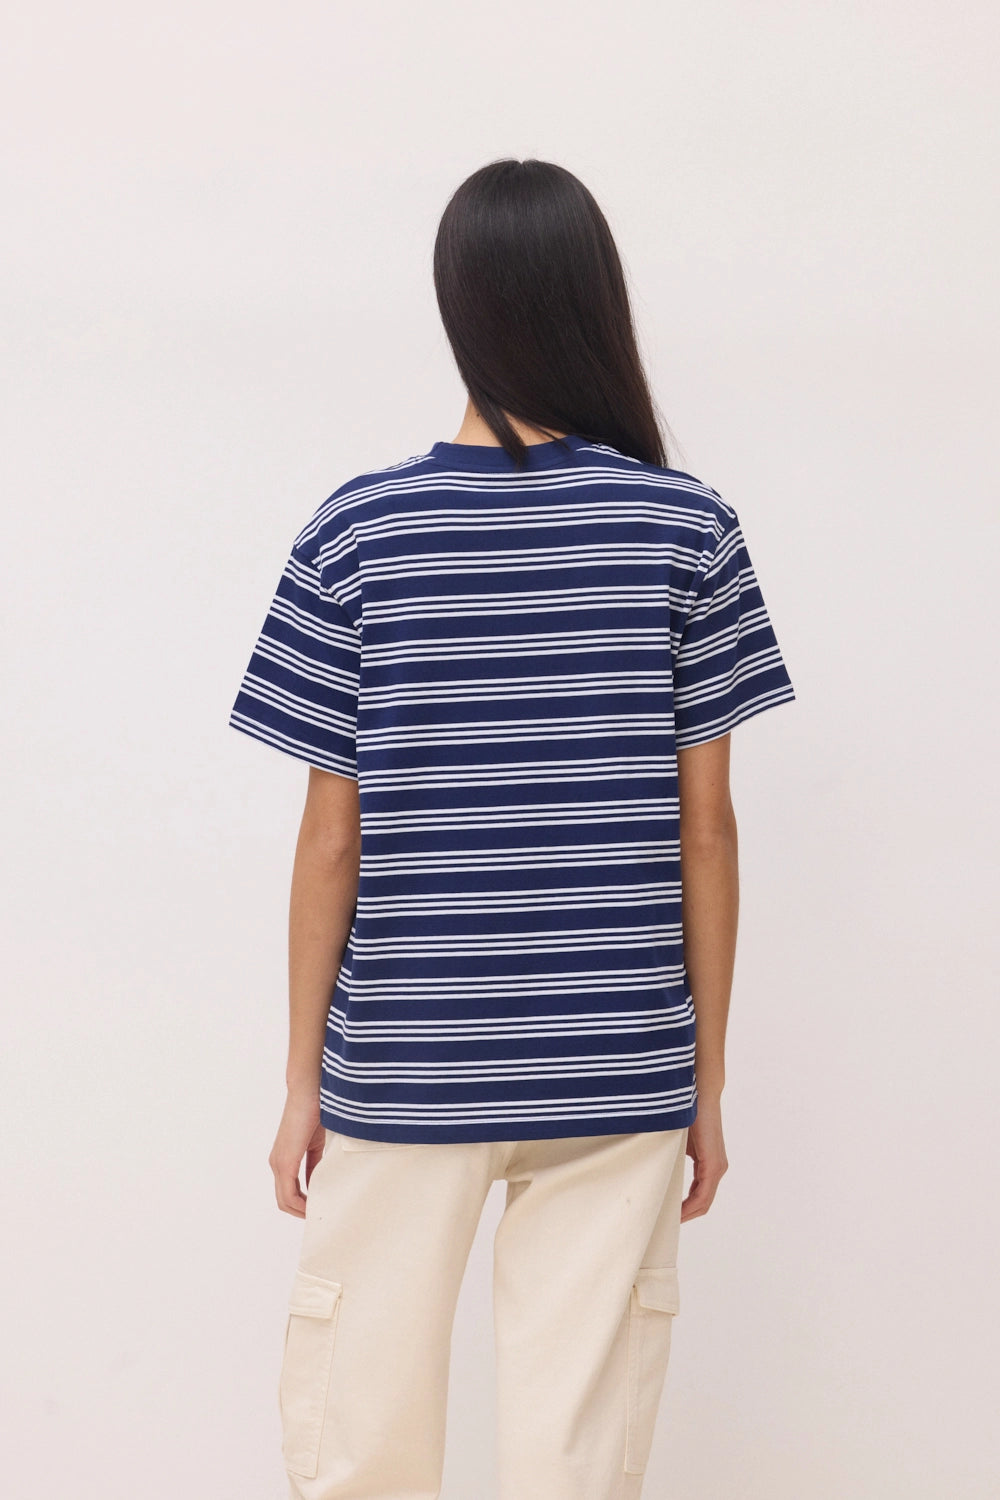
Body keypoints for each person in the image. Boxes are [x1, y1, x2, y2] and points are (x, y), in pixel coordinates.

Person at [229, 157, 796, 1500]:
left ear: (460, 309)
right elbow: (708, 834)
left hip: (407, 1060)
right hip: (619, 1064)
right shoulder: (686, 527)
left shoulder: (359, 531)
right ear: (595, 302)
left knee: (361, 1431)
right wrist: (704, 1084)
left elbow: (329, 839)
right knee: (575, 1451)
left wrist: (303, 1082)